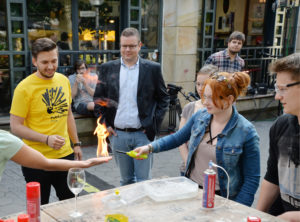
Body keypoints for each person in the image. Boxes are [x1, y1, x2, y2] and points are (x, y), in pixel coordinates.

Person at [134, 72, 260, 207]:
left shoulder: (246, 131)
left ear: (229, 100)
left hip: (223, 199)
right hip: (192, 191)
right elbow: (177, 138)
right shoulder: (200, 116)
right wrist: (149, 148)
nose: (205, 102)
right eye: (204, 97)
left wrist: (238, 210)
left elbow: (252, 179)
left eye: (212, 98)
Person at [10, 37, 83, 205]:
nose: (50, 66)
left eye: (54, 61)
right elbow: (16, 127)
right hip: (34, 159)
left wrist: (76, 143)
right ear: (34, 61)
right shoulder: (23, 88)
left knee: (71, 203)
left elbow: (68, 114)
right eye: (44, 62)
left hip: (64, 156)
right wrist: (46, 139)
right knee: (38, 207)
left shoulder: (63, 80)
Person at [93, 27, 169, 186]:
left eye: (132, 46)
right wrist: (105, 124)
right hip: (118, 135)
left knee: (143, 181)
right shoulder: (108, 68)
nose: (127, 50)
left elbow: (163, 98)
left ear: (139, 45)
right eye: (124, 46)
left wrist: (153, 124)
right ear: (120, 46)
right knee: (126, 180)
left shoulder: (152, 69)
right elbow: (99, 99)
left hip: (143, 135)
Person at [256, 53, 300, 222]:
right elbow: (272, 177)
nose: (277, 96)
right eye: (277, 89)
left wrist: (292, 216)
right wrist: (257, 215)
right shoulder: (281, 125)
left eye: (283, 89)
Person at [0, 130, 111, 182]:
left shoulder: (5, 140)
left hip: (64, 155)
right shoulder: (5, 140)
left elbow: (46, 164)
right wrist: (85, 164)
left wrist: (85, 162)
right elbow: (46, 164)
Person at [179, 64, 218, 175]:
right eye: (198, 84)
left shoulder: (220, 110)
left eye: (204, 84)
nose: (200, 88)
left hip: (212, 170)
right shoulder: (190, 108)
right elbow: (180, 139)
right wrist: (188, 161)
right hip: (189, 168)